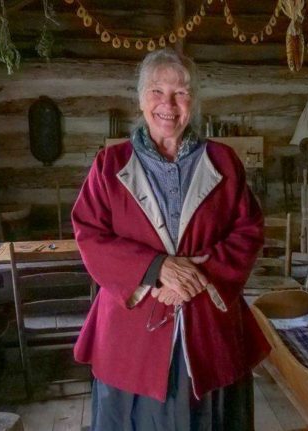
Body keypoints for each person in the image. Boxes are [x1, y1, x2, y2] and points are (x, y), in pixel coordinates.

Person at [71, 48, 270, 430]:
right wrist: (157, 269)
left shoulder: (224, 162)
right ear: (141, 99)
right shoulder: (110, 165)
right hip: (132, 331)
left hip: (208, 324)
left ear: (192, 101)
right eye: (157, 91)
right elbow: (89, 233)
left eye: (180, 92)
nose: (168, 104)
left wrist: (195, 276)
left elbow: (249, 229)